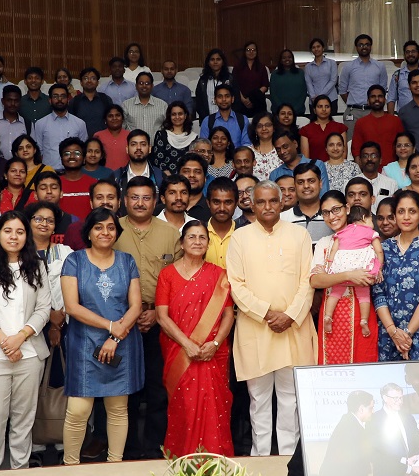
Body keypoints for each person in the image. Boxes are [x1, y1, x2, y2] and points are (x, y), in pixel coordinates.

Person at [226, 181, 317, 456]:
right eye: (261, 202)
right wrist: (267, 313)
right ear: (252, 205)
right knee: (259, 401)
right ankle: (261, 458)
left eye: (273, 201)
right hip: (257, 328)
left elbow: (308, 281)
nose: (267, 207)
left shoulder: (299, 235)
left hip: (293, 329)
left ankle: (289, 461)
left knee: (291, 401)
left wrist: (289, 315)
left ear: (282, 203)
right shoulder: (240, 238)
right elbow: (236, 284)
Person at [0, 210, 50, 471]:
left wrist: (21, 337)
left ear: (27, 236)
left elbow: (44, 309)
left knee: (23, 418)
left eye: (20, 231)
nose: (13, 236)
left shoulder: (37, 266)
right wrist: (6, 342)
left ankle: (20, 471)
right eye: (8, 231)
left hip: (29, 354)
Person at [61, 207, 143, 465]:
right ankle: (70, 465)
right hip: (84, 343)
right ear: (89, 232)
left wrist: (115, 337)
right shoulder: (74, 261)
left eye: (110, 227)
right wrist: (110, 326)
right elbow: (72, 307)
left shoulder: (127, 261)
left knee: (118, 409)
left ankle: (114, 465)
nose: (105, 232)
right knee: (78, 410)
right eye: (99, 227)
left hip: (122, 343)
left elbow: (136, 306)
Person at [154, 220, 236, 457]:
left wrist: (216, 343)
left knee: (213, 407)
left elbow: (228, 315)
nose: (197, 242)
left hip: (212, 352)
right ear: (182, 242)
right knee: (185, 407)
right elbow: (162, 316)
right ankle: (183, 460)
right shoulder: (167, 274)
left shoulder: (218, 275)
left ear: (208, 244)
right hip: (180, 352)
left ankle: (215, 461)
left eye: (202, 238)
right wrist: (187, 344)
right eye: (192, 237)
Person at [117, 177, 181, 458]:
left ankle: (156, 446)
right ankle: (126, 449)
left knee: (158, 386)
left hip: (161, 320)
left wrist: (157, 311)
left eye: (146, 198)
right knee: (124, 388)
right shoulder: (112, 229)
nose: (140, 203)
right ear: (125, 200)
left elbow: (179, 279)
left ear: (156, 202)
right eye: (134, 197)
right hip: (120, 322)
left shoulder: (170, 233)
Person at [374, 190, 419, 362]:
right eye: (400, 211)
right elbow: (378, 292)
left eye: (412, 211)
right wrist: (393, 332)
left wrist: (406, 334)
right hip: (388, 334)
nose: (406, 217)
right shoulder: (384, 249)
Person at [310, 197, 380, 366]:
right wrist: (349, 275)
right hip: (332, 315)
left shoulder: (366, 236)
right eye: (326, 213)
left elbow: (374, 273)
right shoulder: (324, 243)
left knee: (363, 363)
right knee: (334, 372)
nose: (332, 216)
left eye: (336, 210)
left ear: (347, 208)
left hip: (361, 312)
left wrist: (331, 277)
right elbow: (316, 280)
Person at [370, 382, 419, 476]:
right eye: (396, 398)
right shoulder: (373, 420)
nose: (400, 401)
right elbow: (377, 454)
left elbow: (417, 442)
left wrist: (415, 465)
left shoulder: (408, 417)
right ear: (385, 398)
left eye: (401, 398)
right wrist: (407, 468)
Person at [317, 391, 374, 476]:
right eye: (370, 408)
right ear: (361, 409)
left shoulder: (349, 423)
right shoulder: (351, 428)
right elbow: (354, 464)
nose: (373, 411)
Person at [351, 85, 405, 166]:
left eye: (380, 96)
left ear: (385, 100)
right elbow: (356, 149)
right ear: (368, 101)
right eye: (373, 96)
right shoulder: (361, 123)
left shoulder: (395, 121)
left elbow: (402, 145)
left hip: (393, 170)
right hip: (369, 170)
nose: (377, 99)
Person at [336, 33, 387, 110]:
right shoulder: (348, 67)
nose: (364, 47)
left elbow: (382, 90)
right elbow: (342, 91)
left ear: (371, 47)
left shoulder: (380, 66)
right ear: (356, 47)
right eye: (361, 45)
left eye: (367, 45)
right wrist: (353, 105)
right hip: (354, 111)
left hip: (373, 111)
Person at [193, 47, 232, 121]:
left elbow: (236, 101)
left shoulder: (230, 79)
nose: (215, 62)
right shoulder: (203, 80)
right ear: (208, 62)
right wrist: (207, 119)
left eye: (218, 59)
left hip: (227, 120)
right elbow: (199, 102)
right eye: (212, 59)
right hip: (207, 120)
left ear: (223, 62)